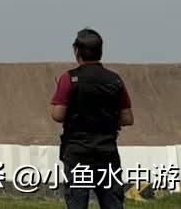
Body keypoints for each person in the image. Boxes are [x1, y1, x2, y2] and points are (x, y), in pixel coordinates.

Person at [50, 28, 133, 209]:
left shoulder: (69, 79)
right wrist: (106, 119)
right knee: (112, 203)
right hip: (107, 152)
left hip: (78, 152)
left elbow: (57, 115)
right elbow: (127, 118)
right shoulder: (115, 80)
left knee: (78, 202)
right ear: (100, 52)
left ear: (77, 52)